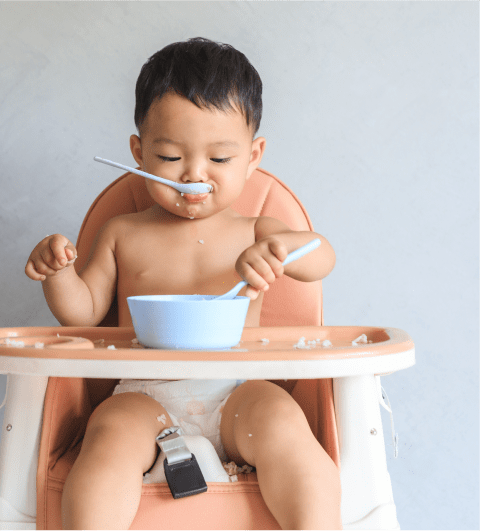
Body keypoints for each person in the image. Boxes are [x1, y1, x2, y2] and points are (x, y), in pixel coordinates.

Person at [25, 37, 341, 531]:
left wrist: (283, 250)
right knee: (106, 438)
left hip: (236, 392)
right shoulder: (122, 233)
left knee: (283, 424)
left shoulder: (256, 229)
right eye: (171, 157)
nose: (195, 174)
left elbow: (322, 257)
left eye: (219, 159)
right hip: (144, 394)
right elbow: (82, 313)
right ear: (139, 153)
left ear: (253, 156)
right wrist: (59, 273)